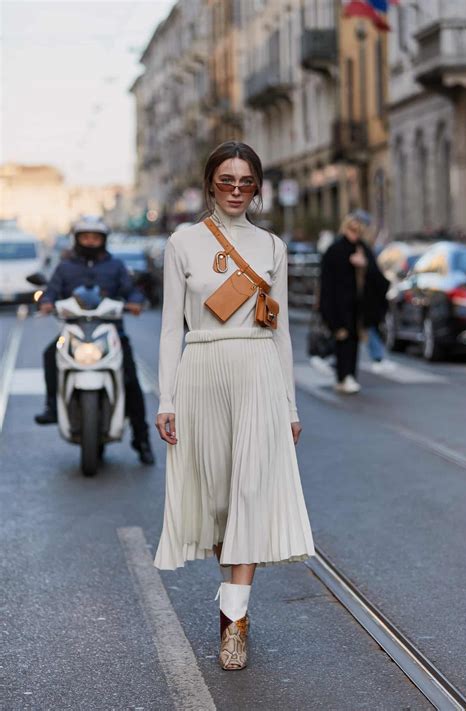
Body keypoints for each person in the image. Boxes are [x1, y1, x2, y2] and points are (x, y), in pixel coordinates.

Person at [154, 141, 315, 670]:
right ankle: (229, 600)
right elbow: (168, 328)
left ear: (258, 188)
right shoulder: (182, 242)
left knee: (249, 491)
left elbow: (283, 330)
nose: (237, 190)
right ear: (210, 184)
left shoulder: (271, 246)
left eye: (246, 182)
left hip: (257, 371)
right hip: (201, 369)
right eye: (227, 181)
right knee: (221, 500)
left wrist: (290, 405)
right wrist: (166, 398)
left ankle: (234, 626)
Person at [35, 216, 155, 465]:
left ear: (103, 240)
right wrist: (46, 302)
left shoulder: (116, 266)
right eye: (85, 237)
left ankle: (141, 440)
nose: (90, 241)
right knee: (49, 354)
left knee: (131, 380)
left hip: (112, 332)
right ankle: (52, 406)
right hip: (75, 331)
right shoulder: (65, 267)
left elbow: (131, 290)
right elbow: (51, 291)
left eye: (96, 237)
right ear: (77, 239)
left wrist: (135, 301)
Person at [319, 213, 389, 394]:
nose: (355, 233)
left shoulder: (363, 249)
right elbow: (326, 284)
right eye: (352, 229)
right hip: (339, 306)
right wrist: (327, 311)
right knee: (343, 339)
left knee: (354, 341)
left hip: (360, 307)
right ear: (345, 228)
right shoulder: (335, 250)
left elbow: (379, 280)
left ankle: (349, 376)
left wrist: (364, 265)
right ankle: (343, 376)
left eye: (359, 230)